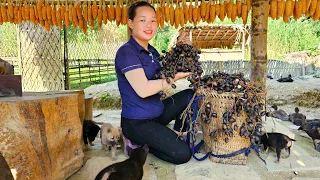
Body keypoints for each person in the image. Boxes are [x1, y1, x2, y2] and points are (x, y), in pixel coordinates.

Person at [115, 1, 194, 165]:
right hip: (137, 123)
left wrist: (182, 48)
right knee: (182, 154)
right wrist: (175, 78)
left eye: (153, 20)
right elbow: (143, 90)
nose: (149, 25)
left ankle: (175, 133)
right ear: (131, 23)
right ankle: (137, 144)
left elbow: (166, 72)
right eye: (142, 20)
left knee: (190, 95)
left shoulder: (152, 51)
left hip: (157, 114)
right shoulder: (126, 52)